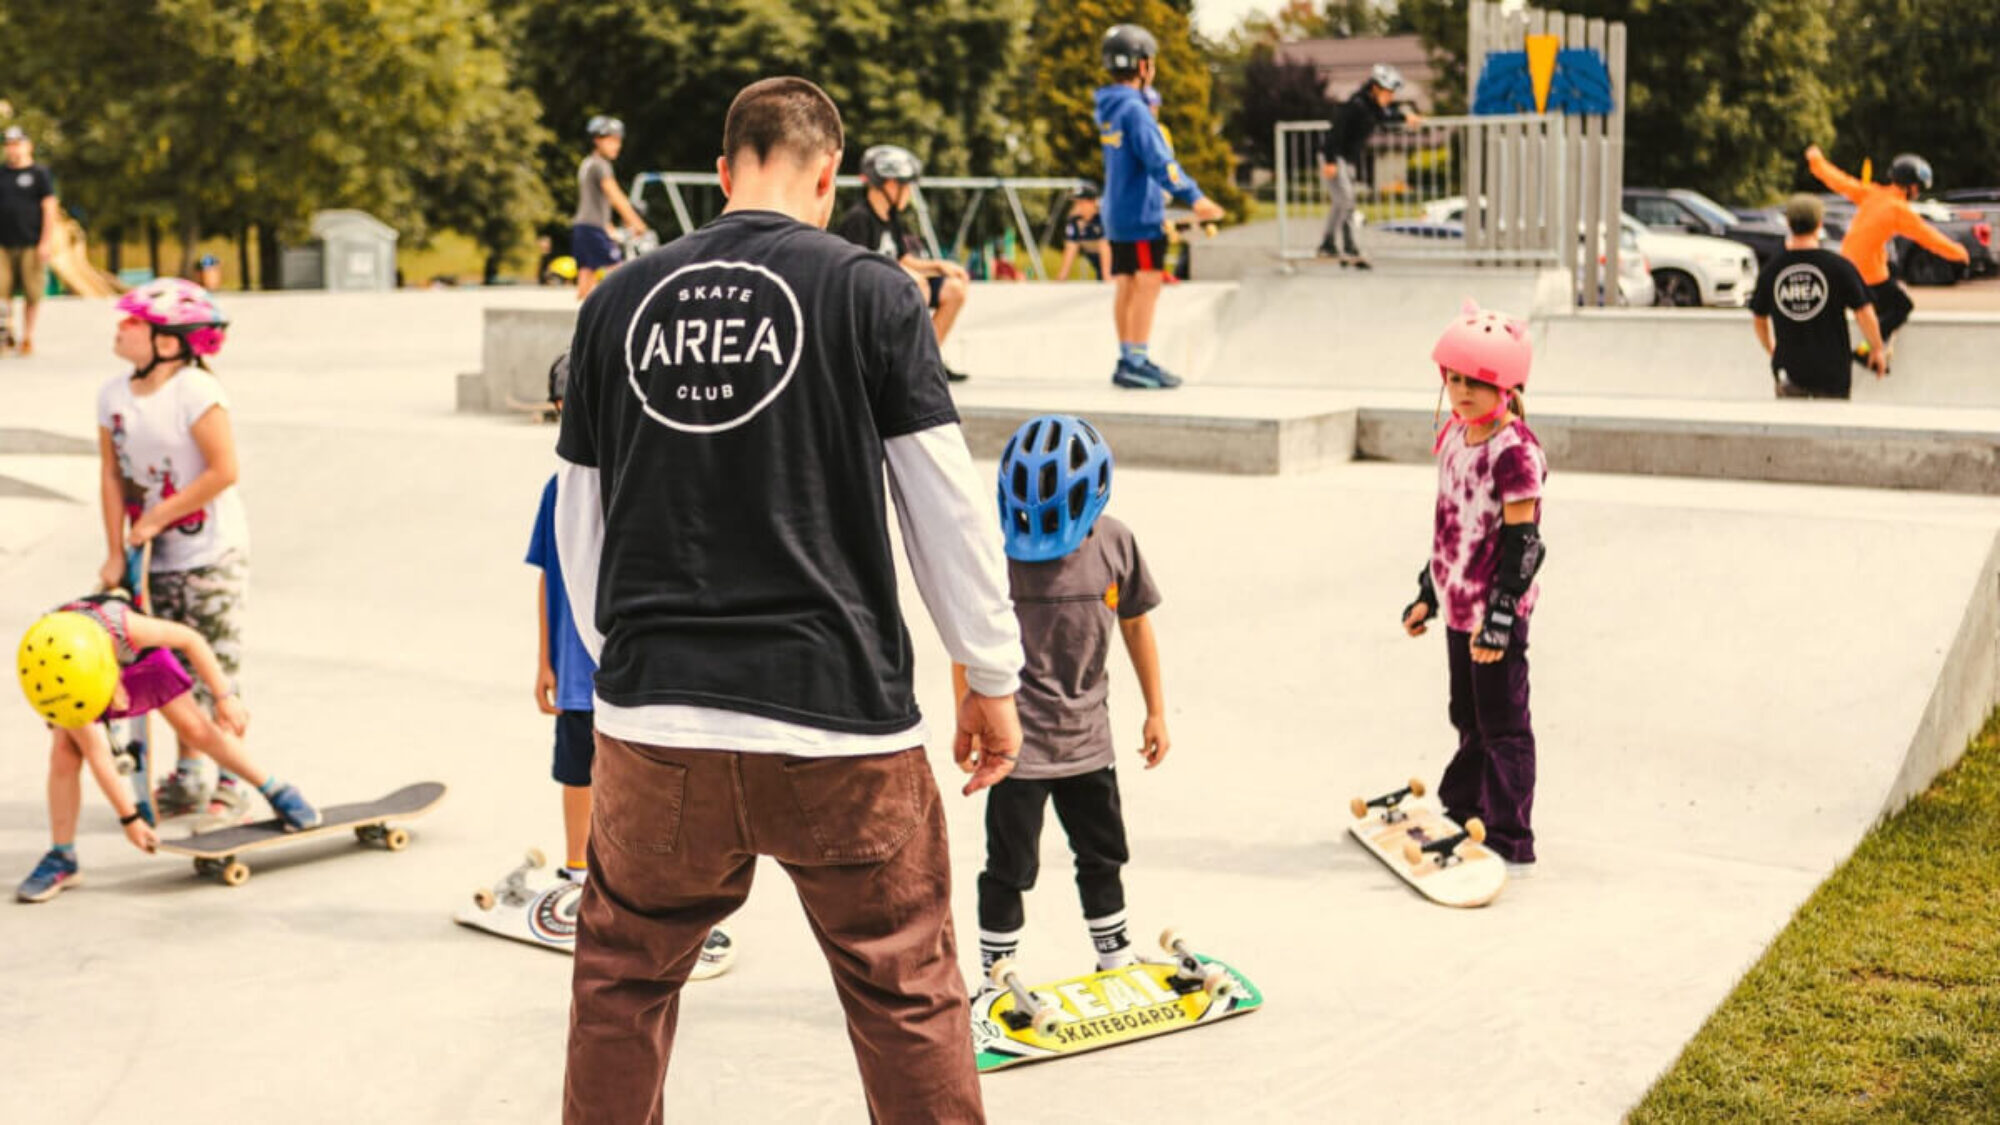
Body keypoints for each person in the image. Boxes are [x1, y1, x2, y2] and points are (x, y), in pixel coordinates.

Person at [555, 76, 1024, 1124]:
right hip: (836, 721)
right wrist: (990, 675)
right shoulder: (870, 291)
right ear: (827, 178)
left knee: (622, 982)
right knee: (902, 986)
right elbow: (945, 510)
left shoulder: (616, 305)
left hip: (656, 724)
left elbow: (577, 520)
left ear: (721, 175)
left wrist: (627, 679)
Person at [528, 352, 735, 959]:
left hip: (646, 669)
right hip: (575, 668)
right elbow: (547, 572)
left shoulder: (653, 478)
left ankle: (680, 896)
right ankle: (578, 877)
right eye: (567, 415)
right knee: (577, 767)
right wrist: (544, 659)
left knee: (665, 782)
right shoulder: (558, 489)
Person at [963, 414, 1169, 977]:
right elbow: (973, 642)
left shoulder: (1117, 543)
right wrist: (974, 716)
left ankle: (1115, 957)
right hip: (1018, 752)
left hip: (1089, 744)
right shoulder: (999, 552)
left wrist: (1156, 712)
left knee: (1102, 857)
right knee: (1009, 866)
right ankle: (995, 973)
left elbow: (1135, 625)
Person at [14, 591, 319, 902]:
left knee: (195, 729)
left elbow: (191, 639)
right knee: (65, 753)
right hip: (76, 679)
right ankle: (62, 857)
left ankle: (278, 790)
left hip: (138, 660)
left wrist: (224, 696)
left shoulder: (125, 627)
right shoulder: (51, 676)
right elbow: (97, 753)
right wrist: (129, 818)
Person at [94, 280, 257, 828]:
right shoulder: (112, 395)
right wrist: (115, 550)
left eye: (132, 322)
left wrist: (157, 518)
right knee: (168, 671)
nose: (120, 329)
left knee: (217, 667)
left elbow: (223, 470)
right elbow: (112, 476)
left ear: (169, 340)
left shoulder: (195, 391)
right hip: (150, 559)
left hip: (212, 554)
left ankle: (233, 778)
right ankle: (190, 775)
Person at [1400, 300, 1546, 877]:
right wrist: (1426, 593)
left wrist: (1502, 617)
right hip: (1460, 607)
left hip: (1493, 612)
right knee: (1467, 712)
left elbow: (1525, 545)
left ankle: (1511, 835)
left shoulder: (1515, 452)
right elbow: (1450, 528)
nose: (1462, 393)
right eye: (1455, 380)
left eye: (1477, 384)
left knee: (1504, 723)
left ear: (1506, 388)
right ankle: (1467, 810)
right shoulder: (1458, 437)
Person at [1096, 24, 1224, 389]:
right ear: (1143, 65)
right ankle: (1136, 360)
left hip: (1116, 210)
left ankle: (1126, 357)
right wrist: (1196, 197)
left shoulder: (1109, 107)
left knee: (1126, 285)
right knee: (1148, 284)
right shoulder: (1136, 110)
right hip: (1140, 214)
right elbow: (1160, 161)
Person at [1804, 145, 1970, 372]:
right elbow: (1927, 237)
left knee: (1888, 286)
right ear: (1911, 186)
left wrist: (1816, 161)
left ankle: (1875, 340)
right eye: (1918, 189)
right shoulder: (1898, 209)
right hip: (1867, 274)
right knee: (1902, 306)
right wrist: (1958, 252)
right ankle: (1866, 351)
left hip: (1847, 265)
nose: (1917, 194)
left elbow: (1839, 181)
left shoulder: (1871, 192)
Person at [831, 144, 972, 382]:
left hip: (893, 285)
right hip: (868, 295)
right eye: (905, 185)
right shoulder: (859, 218)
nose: (909, 192)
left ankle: (927, 361)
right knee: (916, 286)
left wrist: (937, 266)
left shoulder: (892, 217)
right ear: (889, 184)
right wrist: (905, 274)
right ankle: (903, 364)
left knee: (954, 289)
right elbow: (857, 267)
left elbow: (901, 257)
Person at [1750, 195, 1886, 399]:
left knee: (1791, 427)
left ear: (1788, 224)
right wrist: (1876, 349)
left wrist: (1772, 349)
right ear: (1819, 225)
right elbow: (1864, 313)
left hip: (1790, 371)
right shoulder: (1838, 266)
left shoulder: (1772, 270)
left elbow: (1759, 319)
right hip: (1832, 372)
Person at [1316, 65, 1424, 267]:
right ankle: (1337, 245)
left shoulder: (1373, 108)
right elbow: (1335, 133)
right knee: (1346, 201)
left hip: (1346, 159)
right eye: (1388, 93)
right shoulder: (1355, 105)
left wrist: (1405, 117)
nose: (1391, 97)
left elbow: (1387, 116)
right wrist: (1330, 161)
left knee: (1343, 203)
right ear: (1375, 88)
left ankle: (1337, 244)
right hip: (1334, 156)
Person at [572, 116, 650, 302]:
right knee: (620, 275)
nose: (617, 145)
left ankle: (581, 324)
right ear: (597, 140)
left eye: (619, 140)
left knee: (586, 278)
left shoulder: (587, 163)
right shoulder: (601, 165)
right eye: (612, 140)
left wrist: (608, 226)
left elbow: (593, 202)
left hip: (583, 226)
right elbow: (615, 196)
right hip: (593, 227)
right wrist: (637, 223)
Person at [1, 125, 58, 356]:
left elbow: (49, 208)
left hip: (31, 242)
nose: (13, 149)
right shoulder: (1, 174)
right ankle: (5, 334)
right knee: (1, 291)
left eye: (17, 144)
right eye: (9, 145)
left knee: (31, 293)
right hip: (3, 244)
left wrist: (45, 241)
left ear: (28, 146)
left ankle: (28, 336)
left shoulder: (39, 174)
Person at [1057, 181, 1110, 281]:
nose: (1078, 207)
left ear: (1093, 202)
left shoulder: (1104, 219)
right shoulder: (1075, 221)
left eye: (1081, 202)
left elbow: (1105, 249)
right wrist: (1061, 278)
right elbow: (1070, 249)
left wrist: (1107, 278)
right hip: (1100, 272)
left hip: (1121, 272)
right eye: (1076, 203)